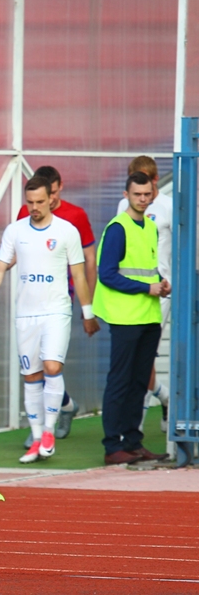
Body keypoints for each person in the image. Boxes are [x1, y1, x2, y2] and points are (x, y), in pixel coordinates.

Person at [0, 176, 100, 464]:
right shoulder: (15, 231)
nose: (34, 207)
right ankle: (36, 439)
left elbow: (79, 274)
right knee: (32, 376)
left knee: (52, 366)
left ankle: (49, 431)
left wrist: (88, 313)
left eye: (39, 201)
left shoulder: (66, 231)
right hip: (26, 314)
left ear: (51, 199)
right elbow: (0, 268)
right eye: (30, 202)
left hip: (56, 311)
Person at [95, 172, 170, 464]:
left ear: (153, 194)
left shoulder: (149, 227)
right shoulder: (118, 228)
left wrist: (160, 282)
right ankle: (112, 446)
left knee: (139, 382)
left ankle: (132, 442)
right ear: (126, 195)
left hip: (148, 315)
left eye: (146, 194)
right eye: (137, 194)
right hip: (125, 317)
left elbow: (145, 268)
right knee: (120, 381)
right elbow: (107, 274)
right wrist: (147, 288)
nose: (142, 199)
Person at [114, 157, 172, 431]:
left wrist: (169, 281)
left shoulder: (169, 207)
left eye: (146, 187)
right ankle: (165, 397)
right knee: (135, 359)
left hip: (160, 291)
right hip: (131, 291)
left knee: (145, 357)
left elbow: (181, 247)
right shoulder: (123, 208)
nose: (142, 196)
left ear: (155, 180)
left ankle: (133, 430)